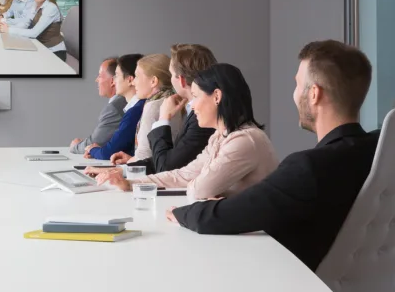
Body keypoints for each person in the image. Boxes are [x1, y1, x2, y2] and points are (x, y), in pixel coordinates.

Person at [169, 40, 379, 271]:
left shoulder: (307, 168)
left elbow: (212, 218)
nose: (294, 94)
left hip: (290, 284)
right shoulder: (377, 149)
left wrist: (181, 213)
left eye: (297, 85)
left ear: (314, 94)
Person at [89, 63, 278, 201]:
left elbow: (199, 190)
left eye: (195, 97)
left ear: (217, 97)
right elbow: (183, 175)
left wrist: (204, 189)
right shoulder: (220, 136)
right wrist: (129, 183)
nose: (192, 105)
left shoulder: (244, 141)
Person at [112, 44, 217, 173]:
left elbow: (166, 167)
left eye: (172, 74)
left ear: (182, 80)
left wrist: (163, 119)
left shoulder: (202, 116)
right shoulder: (190, 110)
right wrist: (127, 166)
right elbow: (172, 157)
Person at [107, 54, 183, 162]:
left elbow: (143, 157)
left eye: (137, 76)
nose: (133, 82)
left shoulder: (153, 106)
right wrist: (130, 159)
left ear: (153, 81)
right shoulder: (170, 100)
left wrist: (120, 169)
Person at [83, 54, 146, 161]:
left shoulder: (135, 110)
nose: (114, 81)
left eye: (116, 75)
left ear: (130, 80)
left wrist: (92, 149)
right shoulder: (135, 108)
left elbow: (108, 152)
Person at [0, 0, 67, 61]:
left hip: (54, 51)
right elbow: (25, 23)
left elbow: (34, 33)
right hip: (40, 46)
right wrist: (7, 26)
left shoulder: (51, 8)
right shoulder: (35, 4)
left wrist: (9, 29)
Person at [69, 57, 127, 154]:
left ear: (113, 81)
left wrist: (75, 146)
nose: (96, 80)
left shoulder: (114, 108)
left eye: (100, 76)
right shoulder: (120, 103)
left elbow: (96, 141)